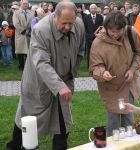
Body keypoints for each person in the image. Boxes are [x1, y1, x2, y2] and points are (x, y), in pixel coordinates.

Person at [6, 1, 85, 150]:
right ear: (55, 15)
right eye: (64, 23)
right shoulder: (41, 30)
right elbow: (41, 62)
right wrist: (59, 85)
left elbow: (80, 51)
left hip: (64, 81)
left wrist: (71, 73)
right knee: (28, 119)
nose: (68, 27)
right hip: (38, 83)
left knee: (63, 120)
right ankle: (14, 146)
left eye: (71, 23)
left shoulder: (78, 24)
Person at [89, 10, 140, 136]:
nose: (115, 34)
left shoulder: (131, 33)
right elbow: (94, 67)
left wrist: (132, 70)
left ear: (123, 27)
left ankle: (131, 144)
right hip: (111, 87)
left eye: (118, 31)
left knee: (128, 118)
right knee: (113, 121)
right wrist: (102, 73)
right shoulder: (98, 43)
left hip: (128, 83)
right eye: (112, 31)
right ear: (106, 28)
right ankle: (113, 144)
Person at [13, 0, 34, 70]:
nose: (25, 5)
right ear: (21, 4)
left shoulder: (31, 13)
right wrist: (23, 31)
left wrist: (29, 31)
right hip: (20, 34)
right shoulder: (16, 13)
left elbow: (33, 23)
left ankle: (29, 66)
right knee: (20, 51)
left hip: (29, 35)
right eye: (24, 4)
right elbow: (16, 23)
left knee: (29, 51)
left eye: (26, 4)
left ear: (28, 4)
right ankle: (21, 66)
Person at [83, 4, 103, 68]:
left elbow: (101, 27)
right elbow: (85, 27)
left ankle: (98, 65)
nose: (94, 9)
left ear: (96, 9)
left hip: (98, 37)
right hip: (89, 38)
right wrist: (88, 35)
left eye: (95, 8)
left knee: (98, 52)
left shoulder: (100, 16)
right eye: (92, 8)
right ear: (90, 9)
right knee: (89, 52)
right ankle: (90, 66)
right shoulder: (86, 17)